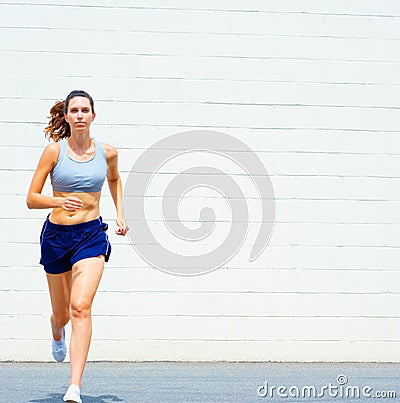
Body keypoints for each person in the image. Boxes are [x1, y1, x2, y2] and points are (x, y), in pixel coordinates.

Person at [26, 90, 129, 403]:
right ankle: (56, 331)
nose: (81, 115)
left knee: (80, 307)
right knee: (63, 314)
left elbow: (114, 180)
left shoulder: (108, 153)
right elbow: (31, 198)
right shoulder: (53, 152)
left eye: (86, 110)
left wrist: (120, 214)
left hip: (90, 235)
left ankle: (74, 387)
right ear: (67, 116)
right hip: (57, 238)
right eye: (75, 110)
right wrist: (58, 200)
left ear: (93, 116)